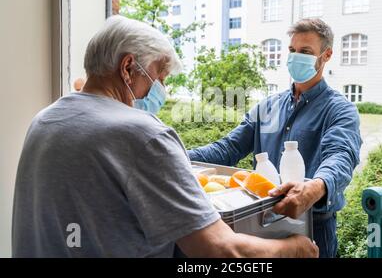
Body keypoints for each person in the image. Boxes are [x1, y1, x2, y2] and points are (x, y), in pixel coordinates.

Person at [12, 15, 317, 258]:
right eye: (159, 77)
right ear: (128, 67)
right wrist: (293, 249)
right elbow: (221, 251)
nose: (162, 90)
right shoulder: (143, 134)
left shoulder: (45, 120)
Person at [188, 18, 362, 258]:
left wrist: (314, 187)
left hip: (313, 227)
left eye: (305, 51)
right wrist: (176, 155)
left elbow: (341, 156)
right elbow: (227, 148)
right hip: (261, 224)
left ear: (327, 55)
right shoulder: (268, 107)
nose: (295, 57)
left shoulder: (339, 110)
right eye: (292, 50)